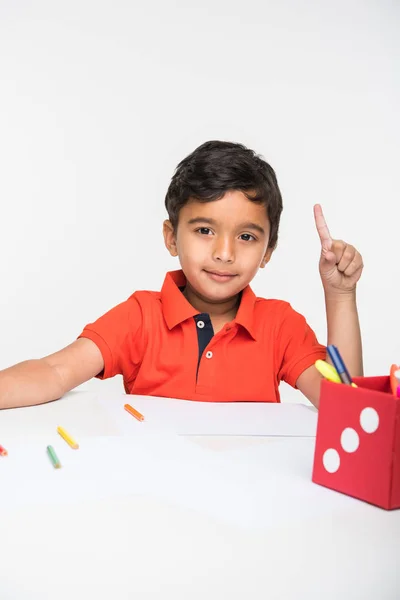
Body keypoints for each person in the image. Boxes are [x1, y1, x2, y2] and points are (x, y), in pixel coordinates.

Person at [0, 141, 363, 410]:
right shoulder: (139, 317)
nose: (224, 253)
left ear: (268, 252)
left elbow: (345, 406)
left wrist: (340, 295)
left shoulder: (281, 325)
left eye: (246, 237)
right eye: (205, 230)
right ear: (172, 238)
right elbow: (55, 371)